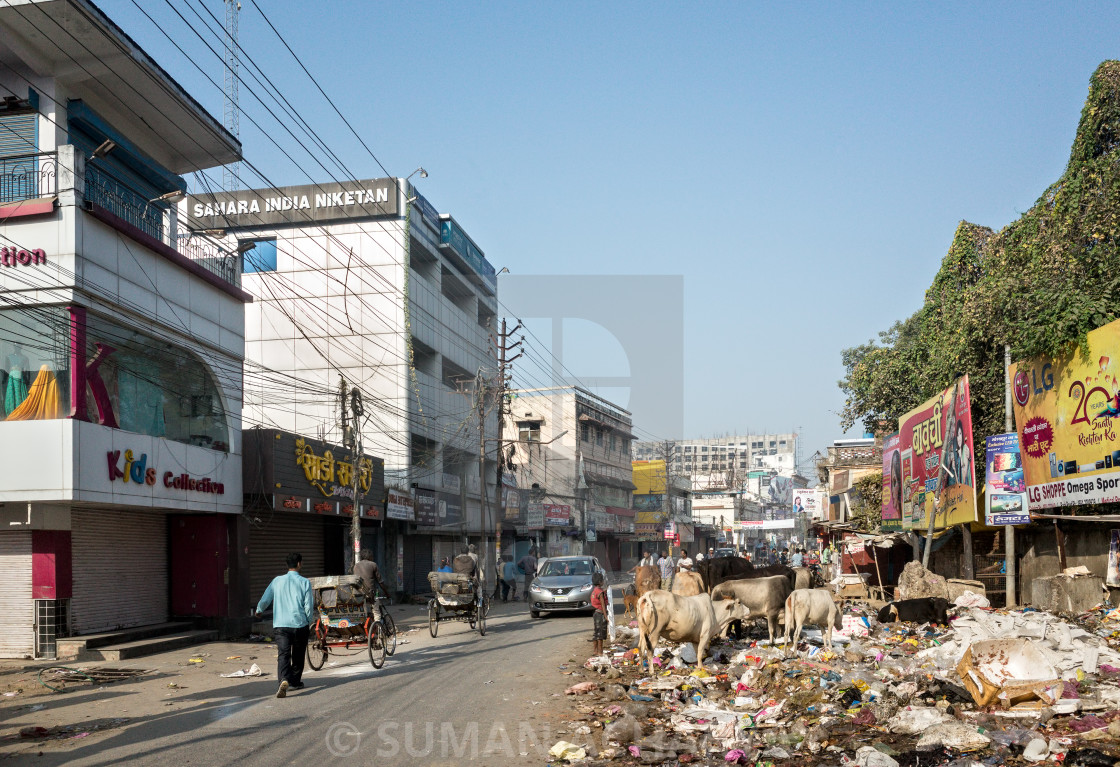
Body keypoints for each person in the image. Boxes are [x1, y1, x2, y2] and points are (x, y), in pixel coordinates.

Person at [255, 552, 313, 698]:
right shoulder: (305, 582)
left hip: (281, 625)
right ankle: (294, 682)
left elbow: (266, 598)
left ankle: (283, 679)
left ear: (287, 565)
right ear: (299, 563)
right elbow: (308, 605)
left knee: (283, 654)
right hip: (300, 624)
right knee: (298, 654)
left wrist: (259, 610)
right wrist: (308, 620)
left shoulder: (277, 581)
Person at [353, 549, 390, 618]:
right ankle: (379, 626)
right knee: (376, 612)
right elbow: (380, 582)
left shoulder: (356, 566)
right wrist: (387, 593)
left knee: (364, 612)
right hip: (370, 594)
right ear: (370, 557)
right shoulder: (373, 565)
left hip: (358, 594)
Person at [589, 572, 608, 655]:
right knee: (600, 633)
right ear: (600, 582)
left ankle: (595, 651)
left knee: (596, 632)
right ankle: (600, 651)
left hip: (595, 613)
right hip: (600, 614)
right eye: (602, 580)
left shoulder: (595, 590)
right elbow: (603, 605)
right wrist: (606, 616)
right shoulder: (600, 593)